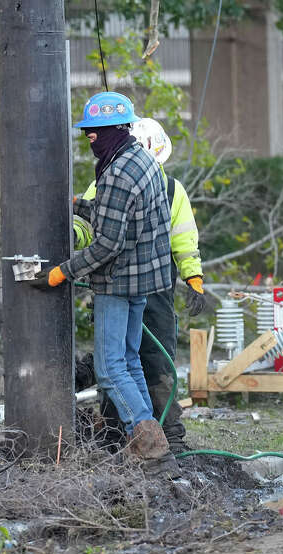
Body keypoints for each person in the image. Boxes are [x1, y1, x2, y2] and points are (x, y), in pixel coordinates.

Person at [36, 92, 174, 462]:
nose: (89, 137)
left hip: (119, 281)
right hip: (144, 280)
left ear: (116, 128)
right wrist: (78, 205)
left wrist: (61, 273)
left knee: (110, 368)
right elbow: (117, 215)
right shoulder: (140, 160)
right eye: (87, 131)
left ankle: (148, 444)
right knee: (129, 361)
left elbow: (107, 244)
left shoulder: (115, 173)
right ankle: (154, 443)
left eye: (95, 131)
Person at [74, 117, 205, 453]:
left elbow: (184, 239)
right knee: (119, 355)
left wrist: (194, 276)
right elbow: (88, 223)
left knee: (152, 357)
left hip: (155, 286)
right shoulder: (108, 177)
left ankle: (164, 432)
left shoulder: (173, 189)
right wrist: (74, 234)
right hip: (125, 278)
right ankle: (120, 430)